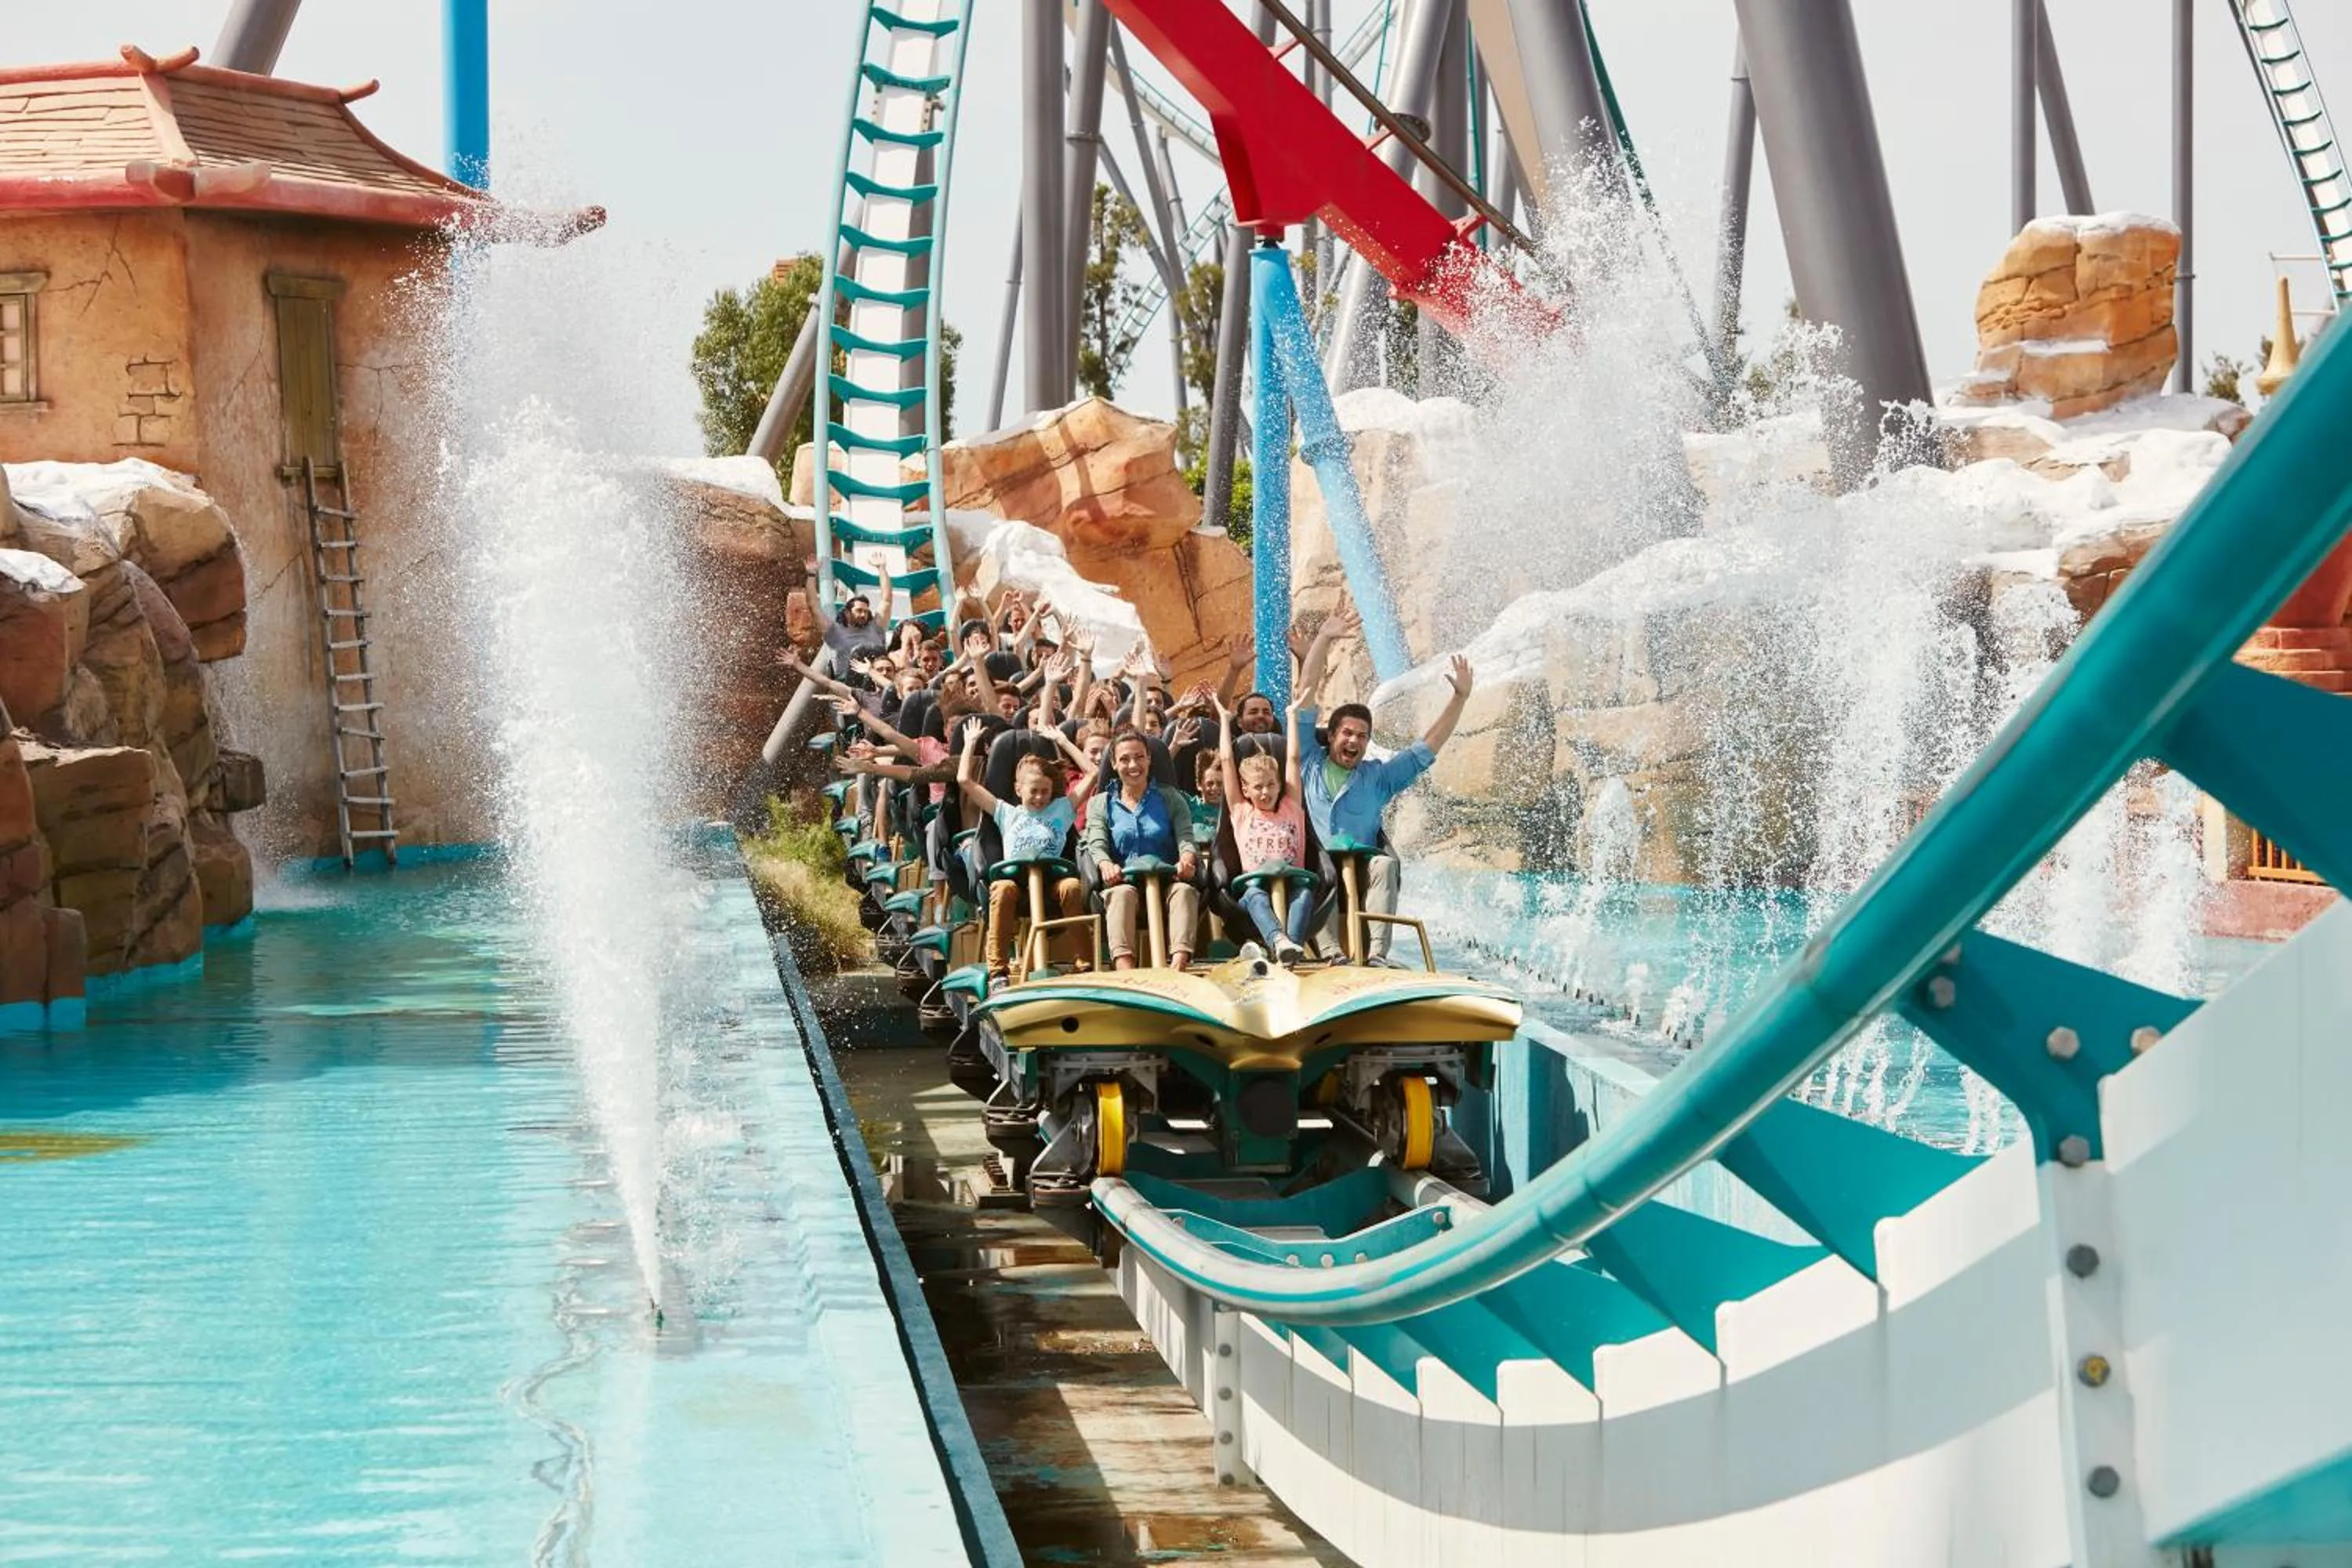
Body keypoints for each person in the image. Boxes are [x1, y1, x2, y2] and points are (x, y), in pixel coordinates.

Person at [1297, 650, 1475, 965]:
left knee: (1385, 865)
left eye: (1362, 736)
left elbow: (1427, 747)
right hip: (1318, 867)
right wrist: (1323, 641)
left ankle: (1376, 953)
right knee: (1316, 868)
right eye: (1347, 733)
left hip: (1361, 867)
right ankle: (1330, 954)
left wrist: (1459, 698)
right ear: (1332, 735)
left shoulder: (1378, 777)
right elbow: (1305, 695)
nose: (1354, 741)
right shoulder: (1309, 761)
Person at [956, 722, 1095, 980]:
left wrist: (1063, 742)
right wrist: (969, 744)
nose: (1040, 797)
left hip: (1051, 881)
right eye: (1034, 791)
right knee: (1002, 888)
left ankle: (1084, 965)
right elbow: (964, 780)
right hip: (1017, 881)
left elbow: (1092, 773)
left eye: (1045, 792)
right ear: (1019, 790)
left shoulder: (1062, 809)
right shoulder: (1005, 812)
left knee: (1071, 887)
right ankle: (998, 971)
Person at [1080, 729, 1203, 971]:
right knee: (1122, 895)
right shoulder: (1100, 803)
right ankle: (1126, 973)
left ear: (1149, 760)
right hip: (1123, 880)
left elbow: (1186, 838)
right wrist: (1106, 865)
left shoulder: (1171, 798)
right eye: (1124, 759)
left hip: (1167, 878)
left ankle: (1177, 968)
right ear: (1114, 764)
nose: (1133, 765)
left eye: (1139, 757)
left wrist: (1187, 860)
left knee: (1184, 892)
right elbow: (1096, 842)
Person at [1214, 693, 1316, 967]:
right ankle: (1279, 941)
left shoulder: (1290, 807)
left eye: (1270, 785)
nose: (1265, 792)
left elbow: (1293, 759)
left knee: (1305, 895)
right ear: (1246, 790)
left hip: (1293, 879)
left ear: (1279, 786)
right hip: (1255, 884)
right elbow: (1226, 761)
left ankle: (1289, 952)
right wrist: (1224, 722)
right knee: (1254, 896)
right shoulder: (1242, 811)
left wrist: (1292, 716)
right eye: (1258, 787)